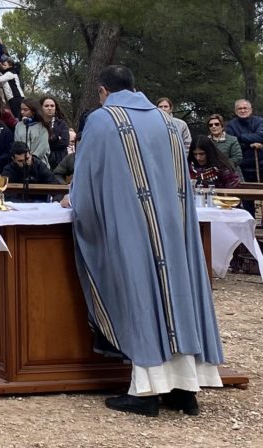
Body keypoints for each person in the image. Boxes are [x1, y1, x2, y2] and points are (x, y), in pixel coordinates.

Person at [63, 65, 224, 416]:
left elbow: (87, 180)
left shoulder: (104, 120)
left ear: (104, 91)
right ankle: (185, 389)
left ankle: (146, 391)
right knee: (177, 295)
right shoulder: (168, 122)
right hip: (174, 226)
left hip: (133, 224)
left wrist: (74, 203)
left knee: (141, 295)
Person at [13, 98, 51, 164]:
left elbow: (43, 146)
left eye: (25, 110)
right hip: (22, 163)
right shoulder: (19, 125)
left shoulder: (42, 126)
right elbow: (17, 143)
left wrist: (32, 159)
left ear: (34, 111)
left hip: (39, 163)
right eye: (21, 109)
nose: (22, 112)